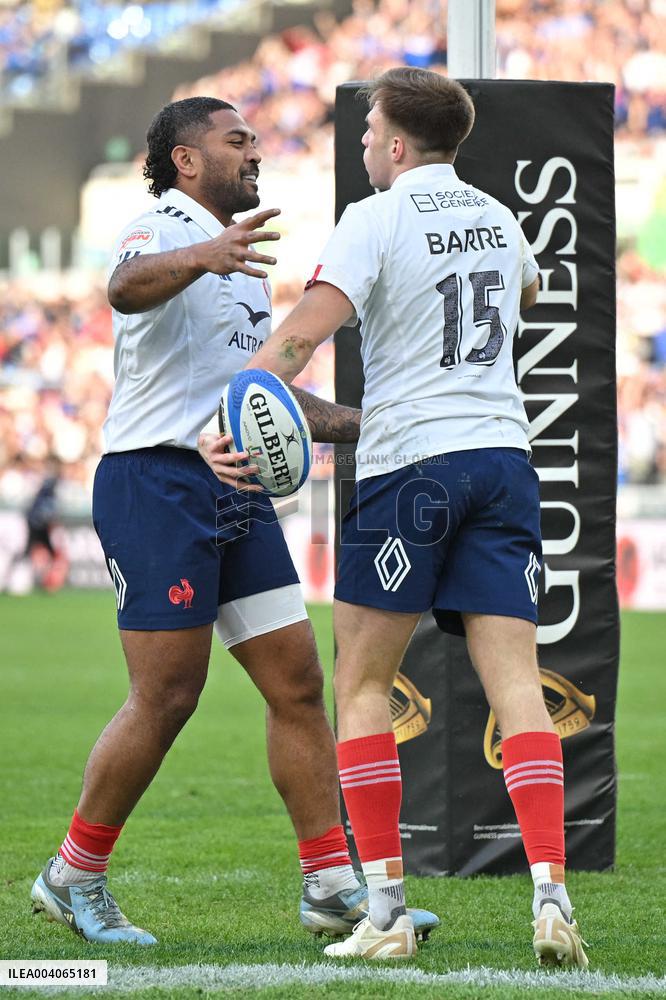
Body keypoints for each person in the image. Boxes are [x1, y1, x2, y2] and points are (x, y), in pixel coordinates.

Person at [201, 68, 589, 967]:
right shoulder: (497, 215)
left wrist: (234, 410)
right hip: (504, 459)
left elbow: (303, 336)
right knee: (519, 687)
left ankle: (384, 910)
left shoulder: (374, 218)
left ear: (399, 144)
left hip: (411, 462)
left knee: (364, 684)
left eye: (371, 130)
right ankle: (551, 897)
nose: (365, 141)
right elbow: (525, 297)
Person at [30, 96, 438, 946]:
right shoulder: (160, 228)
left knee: (297, 684)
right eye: (236, 140)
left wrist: (373, 424)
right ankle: (73, 874)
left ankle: (329, 884)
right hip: (156, 483)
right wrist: (206, 252)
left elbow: (265, 397)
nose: (254, 151)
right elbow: (123, 289)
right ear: (187, 160)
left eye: (254, 139)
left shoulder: (244, 262)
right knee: (169, 693)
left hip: (235, 490)